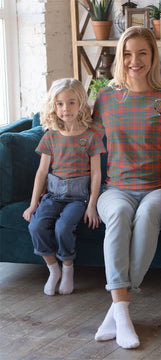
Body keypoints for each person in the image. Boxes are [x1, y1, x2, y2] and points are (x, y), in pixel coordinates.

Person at [91, 27, 161, 349]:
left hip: (155, 189)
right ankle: (122, 311)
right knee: (121, 213)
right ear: (120, 57)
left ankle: (117, 309)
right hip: (115, 188)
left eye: (142, 53)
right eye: (127, 53)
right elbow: (91, 147)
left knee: (150, 211)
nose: (134, 60)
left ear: (153, 57)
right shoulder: (105, 98)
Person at [23, 78, 106, 296]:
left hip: (79, 198)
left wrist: (92, 206)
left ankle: (68, 269)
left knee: (63, 227)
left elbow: (97, 173)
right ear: (54, 106)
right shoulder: (50, 136)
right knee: (36, 226)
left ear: (81, 104)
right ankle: (53, 270)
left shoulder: (90, 137)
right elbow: (42, 172)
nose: (65, 109)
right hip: (53, 195)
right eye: (59, 104)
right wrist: (33, 204)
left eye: (71, 103)